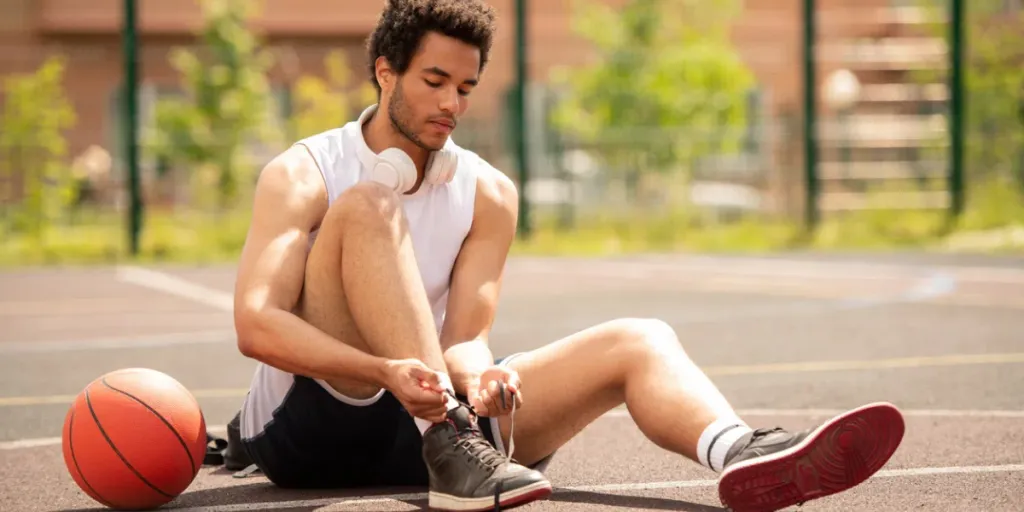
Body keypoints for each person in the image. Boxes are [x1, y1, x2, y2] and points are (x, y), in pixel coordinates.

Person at [230, 1, 907, 511]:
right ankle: (449, 437)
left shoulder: (488, 192)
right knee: (368, 204)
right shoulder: (306, 171)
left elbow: (466, 337)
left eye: (464, 88)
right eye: (434, 80)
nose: (450, 103)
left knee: (640, 338)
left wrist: (482, 378)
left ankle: (741, 452)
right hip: (318, 424)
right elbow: (256, 325)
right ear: (385, 71)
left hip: (444, 428)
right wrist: (386, 369)